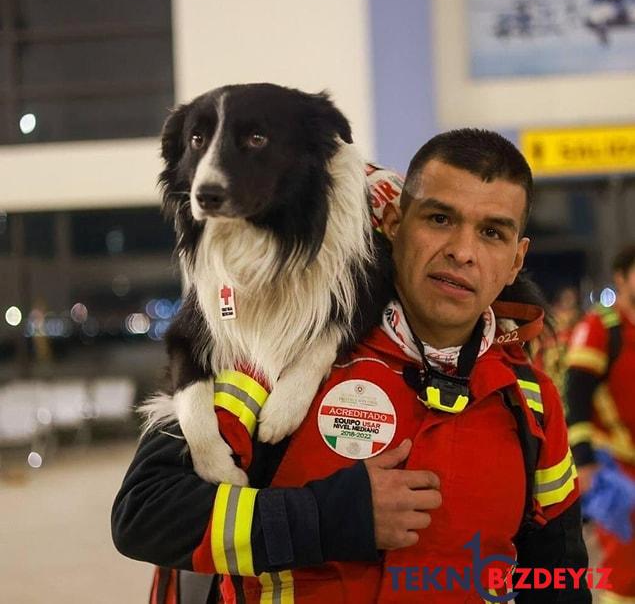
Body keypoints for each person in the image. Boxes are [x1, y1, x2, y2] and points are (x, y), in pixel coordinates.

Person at [112, 129, 590, 603]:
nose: (462, 251)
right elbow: (145, 513)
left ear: (515, 261)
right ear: (396, 224)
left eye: (492, 232)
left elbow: (558, 577)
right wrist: (330, 515)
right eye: (440, 219)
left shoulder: (531, 401)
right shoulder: (278, 354)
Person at [564, 244, 635, 602]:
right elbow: (575, 398)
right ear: (621, 279)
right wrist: (586, 462)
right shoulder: (600, 327)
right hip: (614, 468)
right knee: (624, 569)